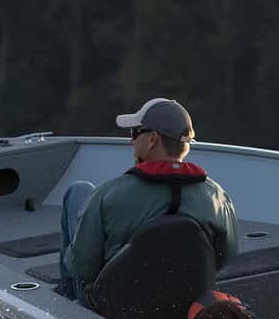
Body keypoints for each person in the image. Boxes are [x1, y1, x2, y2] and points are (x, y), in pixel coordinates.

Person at [58, 97, 238, 301]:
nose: (131, 141)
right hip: (183, 306)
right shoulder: (218, 197)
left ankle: (66, 300)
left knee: (78, 191)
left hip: (114, 308)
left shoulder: (107, 195)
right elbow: (224, 258)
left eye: (135, 133)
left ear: (153, 139)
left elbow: (82, 269)